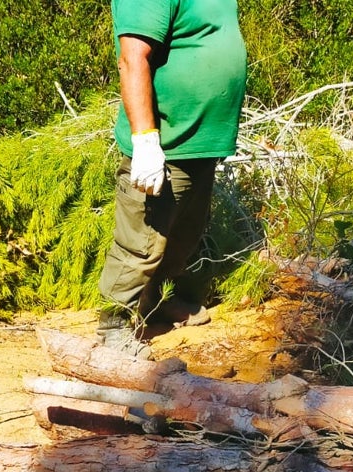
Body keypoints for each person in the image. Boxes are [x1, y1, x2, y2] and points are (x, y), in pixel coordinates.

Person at [96, 0, 248, 358]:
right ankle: (114, 327)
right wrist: (145, 140)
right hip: (165, 143)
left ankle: (151, 302)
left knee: (182, 234)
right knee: (142, 241)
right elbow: (133, 59)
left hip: (199, 144)